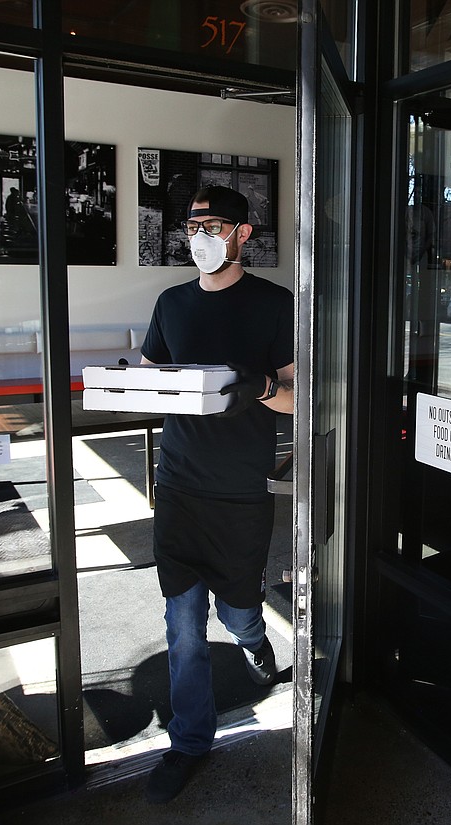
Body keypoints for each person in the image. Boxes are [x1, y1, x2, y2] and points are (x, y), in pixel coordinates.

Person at [139, 185, 294, 804]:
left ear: (243, 235)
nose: (200, 235)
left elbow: (292, 397)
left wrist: (253, 386)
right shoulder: (171, 303)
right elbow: (151, 379)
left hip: (239, 491)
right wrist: (127, 384)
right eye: (194, 224)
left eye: (215, 225)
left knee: (234, 612)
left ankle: (254, 639)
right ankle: (189, 743)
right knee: (182, 626)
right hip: (178, 483)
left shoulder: (273, 304)